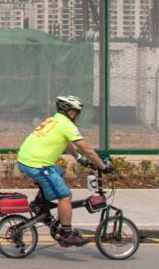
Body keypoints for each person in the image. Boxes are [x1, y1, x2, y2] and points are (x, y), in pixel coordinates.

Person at [17, 95, 111, 247]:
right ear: (72, 113)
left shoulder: (53, 121)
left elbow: (66, 143)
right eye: (78, 113)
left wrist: (78, 158)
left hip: (26, 160)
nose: (78, 117)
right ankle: (66, 234)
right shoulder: (67, 125)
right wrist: (103, 166)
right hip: (38, 166)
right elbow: (86, 148)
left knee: (59, 172)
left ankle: (40, 203)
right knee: (65, 196)